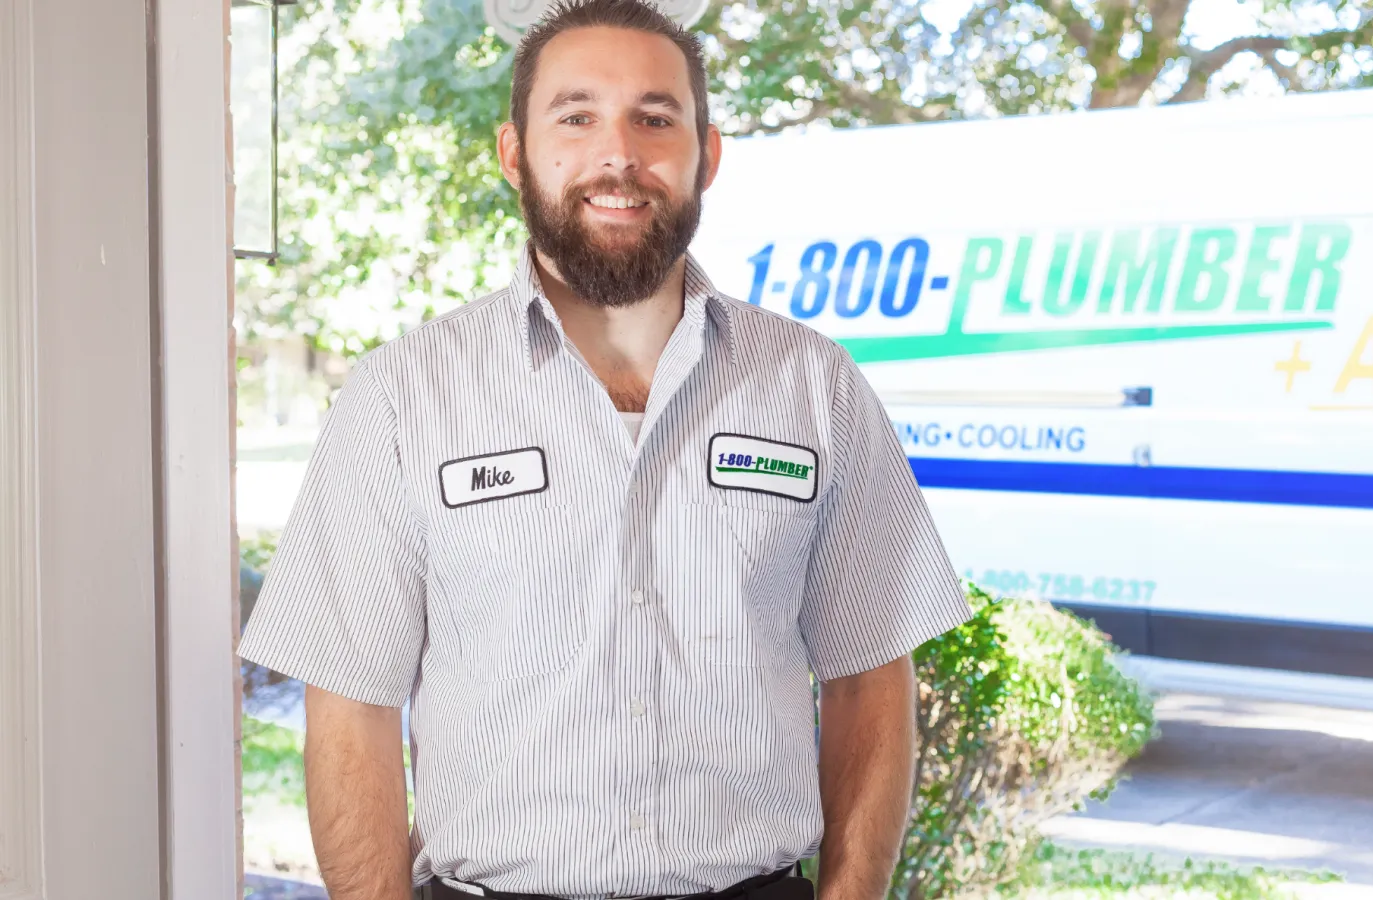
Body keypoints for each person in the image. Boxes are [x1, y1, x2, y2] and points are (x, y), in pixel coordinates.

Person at [237, 0, 972, 897]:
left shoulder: (812, 384)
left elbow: (870, 677)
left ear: (707, 153)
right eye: (576, 116)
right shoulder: (403, 396)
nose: (618, 154)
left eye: (655, 118)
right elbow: (351, 708)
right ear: (514, 153)